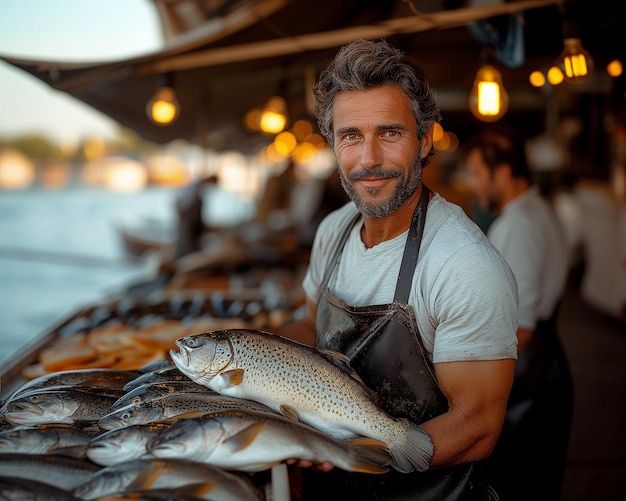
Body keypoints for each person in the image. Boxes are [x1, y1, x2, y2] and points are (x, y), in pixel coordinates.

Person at [276, 39, 519, 500]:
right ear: (333, 145)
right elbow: (309, 323)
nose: (368, 159)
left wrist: (354, 451)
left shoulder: (462, 265)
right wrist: (249, 362)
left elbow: (477, 425)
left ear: (424, 140)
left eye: (389, 133)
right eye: (350, 136)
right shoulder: (334, 231)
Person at [463, 125, 574, 500]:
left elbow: (521, 327)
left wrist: (483, 395)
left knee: (519, 486)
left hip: (530, 378)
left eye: (478, 175)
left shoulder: (518, 224)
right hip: (546, 367)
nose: (475, 186)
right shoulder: (539, 209)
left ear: (504, 173)